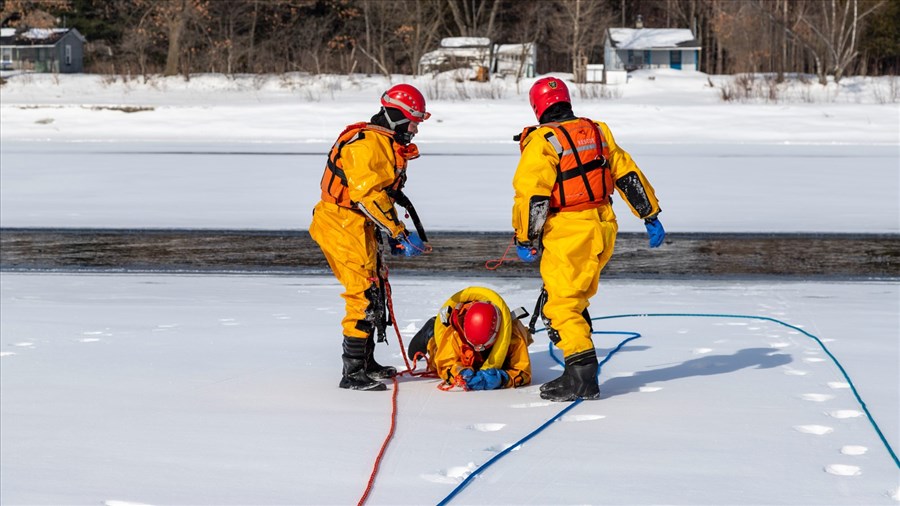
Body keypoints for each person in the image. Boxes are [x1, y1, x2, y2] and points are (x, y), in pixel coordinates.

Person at [512, 76, 665, 402]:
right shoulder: (596, 131)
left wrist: (526, 238)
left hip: (570, 230)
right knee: (575, 296)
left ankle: (581, 377)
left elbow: (533, 196)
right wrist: (649, 214)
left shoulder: (544, 141)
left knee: (562, 304)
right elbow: (626, 172)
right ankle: (576, 367)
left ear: (538, 107)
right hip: (603, 225)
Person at [310, 83, 431, 391]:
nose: (415, 129)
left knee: (375, 290)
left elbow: (380, 197)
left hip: (359, 223)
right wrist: (398, 232)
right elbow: (367, 196)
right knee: (362, 293)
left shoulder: (383, 142)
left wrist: (392, 232)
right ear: (395, 117)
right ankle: (352, 373)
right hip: (341, 223)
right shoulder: (365, 146)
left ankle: (367, 363)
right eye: (412, 121)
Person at [407, 286, 533, 390]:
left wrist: (503, 378)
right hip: (457, 343)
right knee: (436, 360)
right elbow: (446, 364)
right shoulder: (455, 330)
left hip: (500, 347)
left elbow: (523, 372)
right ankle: (430, 332)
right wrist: (459, 374)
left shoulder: (514, 332)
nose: (478, 349)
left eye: (483, 346)